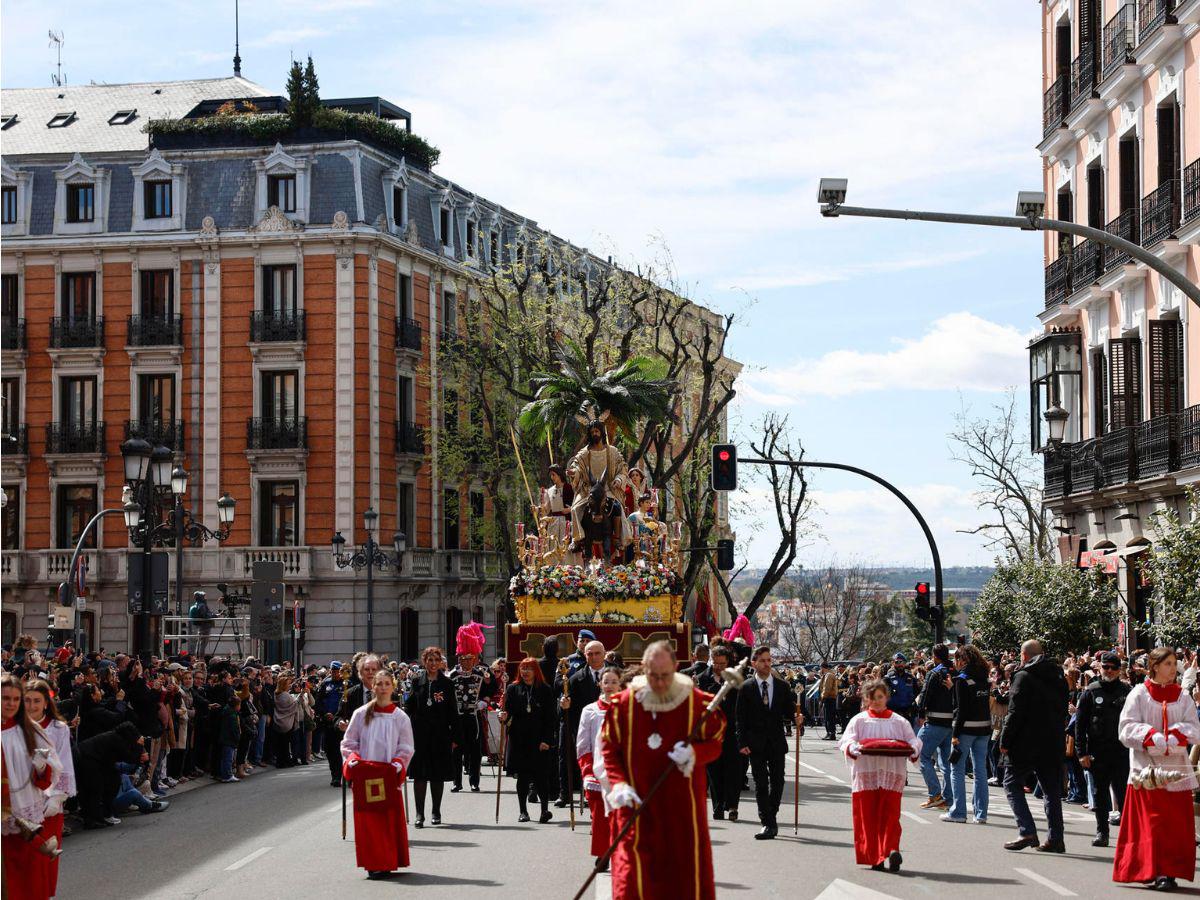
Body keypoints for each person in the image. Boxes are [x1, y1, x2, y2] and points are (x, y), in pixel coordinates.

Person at [601, 641, 726, 900]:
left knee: (682, 879)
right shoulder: (623, 705)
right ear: (643, 669)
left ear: (676, 668)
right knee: (634, 880)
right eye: (653, 676)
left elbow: (716, 744)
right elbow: (609, 749)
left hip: (682, 812)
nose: (659, 683)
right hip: (637, 807)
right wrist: (619, 784)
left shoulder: (698, 704)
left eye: (665, 676)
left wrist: (695, 753)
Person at [1112, 646, 1200, 891]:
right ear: (1155, 667)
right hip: (1146, 769)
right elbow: (1126, 727)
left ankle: (1168, 872)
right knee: (1152, 822)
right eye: (1168, 664)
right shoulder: (1139, 694)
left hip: (1175, 770)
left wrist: (1175, 734)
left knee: (1173, 824)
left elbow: (1195, 727)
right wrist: (1150, 735)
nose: (1174, 669)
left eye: (1174, 664)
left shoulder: (1183, 696)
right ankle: (1149, 868)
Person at [840, 679, 921, 872]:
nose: (876, 701)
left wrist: (914, 749)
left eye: (880, 697)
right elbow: (846, 740)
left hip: (892, 774)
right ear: (865, 699)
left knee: (891, 814)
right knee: (867, 815)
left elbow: (913, 740)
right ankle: (875, 855)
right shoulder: (858, 720)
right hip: (866, 774)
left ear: (886, 697)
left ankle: (891, 849)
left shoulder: (899, 721)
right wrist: (852, 747)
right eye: (871, 697)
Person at [341, 669, 415, 880]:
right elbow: (348, 742)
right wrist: (352, 759)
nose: (382, 688)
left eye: (386, 684)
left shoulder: (400, 717)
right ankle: (373, 862)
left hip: (388, 775)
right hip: (366, 775)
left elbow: (406, 746)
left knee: (388, 819)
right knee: (369, 821)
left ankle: (389, 859)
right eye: (378, 684)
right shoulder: (361, 713)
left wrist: (399, 763)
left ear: (393, 687)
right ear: (372, 687)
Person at [999, 639, 1069, 853]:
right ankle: (1056, 838)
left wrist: (1005, 739)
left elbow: (1015, 712)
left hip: (1025, 743)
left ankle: (1027, 830)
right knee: (1051, 791)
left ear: (1024, 656)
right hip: (1052, 741)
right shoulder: (1058, 676)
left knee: (1011, 784)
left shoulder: (1022, 676)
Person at [3, 673, 62, 900]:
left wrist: (40, 767)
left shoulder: (31, 731)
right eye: (5, 698)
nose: (11, 704)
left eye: (16, 699)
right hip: (2, 816)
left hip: (26, 816)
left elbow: (47, 776)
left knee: (29, 880)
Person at [736, 645, 799, 839]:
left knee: (778, 781)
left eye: (769, 660)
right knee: (761, 783)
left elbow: (789, 711)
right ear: (754, 663)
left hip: (776, 742)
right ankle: (767, 822)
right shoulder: (746, 687)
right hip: (755, 743)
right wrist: (742, 742)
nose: (766, 663)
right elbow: (740, 718)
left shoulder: (782, 686)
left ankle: (771, 815)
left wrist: (797, 717)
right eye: (762, 660)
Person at [22, 679, 75, 898]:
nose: (32, 705)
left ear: (46, 703)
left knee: (46, 859)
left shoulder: (58, 729)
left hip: (49, 805)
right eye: (27, 701)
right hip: (21, 804)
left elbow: (64, 764)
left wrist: (56, 798)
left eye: (37, 701)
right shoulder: (14, 728)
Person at [1074, 650, 1130, 848]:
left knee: (1123, 793)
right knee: (1099, 794)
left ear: (1119, 670)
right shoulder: (1091, 691)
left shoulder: (1127, 691)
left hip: (1121, 751)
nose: (1110, 671)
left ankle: (1127, 834)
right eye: (1106, 667)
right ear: (1100, 667)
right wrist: (1081, 753)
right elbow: (1080, 725)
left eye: (1114, 668)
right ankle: (1102, 832)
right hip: (1097, 751)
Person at [404, 646, 462, 827]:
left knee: (437, 775)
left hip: (440, 735)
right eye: (430, 660)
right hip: (419, 735)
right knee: (420, 776)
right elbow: (409, 707)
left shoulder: (447, 684)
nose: (433, 663)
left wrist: (455, 737)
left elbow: (453, 711)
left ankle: (436, 811)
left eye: (436, 660)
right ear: (424, 661)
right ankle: (419, 814)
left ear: (441, 662)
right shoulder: (416, 682)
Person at [500, 657, 557, 822]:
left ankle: (544, 810)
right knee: (523, 777)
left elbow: (550, 718)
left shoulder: (545, 689)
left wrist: (547, 739)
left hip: (539, 739)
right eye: (522, 668)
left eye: (529, 668)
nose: (525, 672)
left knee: (541, 777)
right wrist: (503, 717)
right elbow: (508, 713)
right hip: (519, 739)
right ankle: (523, 811)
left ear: (536, 671)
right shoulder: (513, 688)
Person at [567, 413, 632, 556]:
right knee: (575, 508)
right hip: (588, 490)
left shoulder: (612, 452)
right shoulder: (584, 453)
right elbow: (577, 467)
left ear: (602, 432)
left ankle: (616, 538)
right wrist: (574, 473)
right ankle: (577, 539)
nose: (595, 434)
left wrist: (619, 480)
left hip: (608, 490)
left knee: (616, 507)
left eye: (597, 431)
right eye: (592, 432)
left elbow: (623, 469)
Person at [942, 644, 991, 824]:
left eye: (956, 658)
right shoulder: (984, 677)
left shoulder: (962, 679)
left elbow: (961, 709)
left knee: (957, 769)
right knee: (980, 771)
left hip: (966, 730)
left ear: (962, 660)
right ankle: (981, 813)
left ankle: (959, 812)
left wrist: (955, 734)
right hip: (984, 729)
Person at [577, 666, 621, 862]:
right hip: (597, 771)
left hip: (622, 772)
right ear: (599, 684)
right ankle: (603, 852)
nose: (610, 686)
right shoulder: (590, 710)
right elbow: (583, 745)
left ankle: (620, 852)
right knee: (600, 815)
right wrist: (587, 771)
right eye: (606, 682)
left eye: (614, 682)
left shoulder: (628, 709)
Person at [697, 645, 744, 820]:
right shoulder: (703, 679)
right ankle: (718, 806)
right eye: (715, 663)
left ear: (728, 662)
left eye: (722, 663)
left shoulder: (738, 679)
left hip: (733, 731)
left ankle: (732, 806)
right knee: (714, 771)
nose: (718, 666)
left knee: (734, 771)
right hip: (711, 733)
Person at [558, 639, 605, 810]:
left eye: (597, 653)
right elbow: (566, 704)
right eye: (589, 654)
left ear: (604, 654)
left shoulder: (617, 675)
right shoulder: (576, 678)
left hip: (610, 729)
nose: (593, 657)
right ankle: (589, 796)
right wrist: (564, 705)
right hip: (587, 730)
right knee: (589, 764)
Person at [449, 624, 494, 794]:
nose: (466, 661)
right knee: (456, 751)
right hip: (458, 717)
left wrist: (484, 701)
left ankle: (474, 781)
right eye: (463, 658)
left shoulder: (482, 674)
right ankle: (456, 782)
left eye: (470, 658)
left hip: (473, 716)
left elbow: (491, 689)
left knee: (475, 751)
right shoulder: (452, 675)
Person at [916, 644, 955, 811]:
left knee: (920, 754)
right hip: (951, 723)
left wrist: (920, 713)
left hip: (935, 721)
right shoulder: (955, 672)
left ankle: (935, 794)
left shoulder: (934, 672)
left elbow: (925, 695)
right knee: (946, 763)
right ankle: (947, 798)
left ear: (935, 657)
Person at [884, 654, 918, 722]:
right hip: (892, 713)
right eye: (897, 662)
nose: (900, 664)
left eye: (902, 662)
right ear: (893, 663)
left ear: (905, 663)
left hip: (907, 713)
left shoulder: (911, 678)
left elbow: (917, 693)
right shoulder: (887, 678)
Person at [188, 591, 214, 658]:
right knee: (203, 644)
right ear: (201, 597)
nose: (205, 598)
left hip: (201, 626)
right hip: (205, 626)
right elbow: (205, 615)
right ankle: (201, 658)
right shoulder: (202, 605)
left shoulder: (198, 604)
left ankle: (198, 657)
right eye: (204, 596)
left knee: (200, 643)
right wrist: (214, 616)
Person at [818, 662, 839, 740]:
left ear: (823, 668)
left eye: (821, 668)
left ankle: (831, 733)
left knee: (829, 717)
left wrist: (823, 698)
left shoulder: (829, 675)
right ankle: (829, 733)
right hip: (829, 698)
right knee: (827, 717)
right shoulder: (827, 675)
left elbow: (827, 688)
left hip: (829, 698)